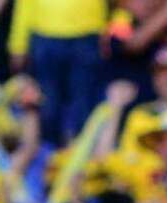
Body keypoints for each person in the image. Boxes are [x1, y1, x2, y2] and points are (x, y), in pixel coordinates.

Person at [8, 0, 108, 145]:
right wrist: (18, 44)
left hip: (88, 33)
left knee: (84, 105)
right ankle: (47, 158)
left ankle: (81, 160)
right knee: (47, 105)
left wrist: (111, 26)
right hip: (44, 33)